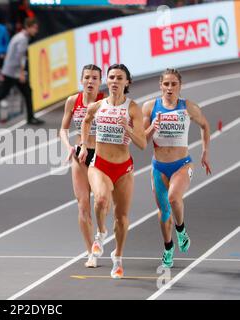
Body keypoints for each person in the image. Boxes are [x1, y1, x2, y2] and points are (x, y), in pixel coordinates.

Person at [79, 64, 147, 279]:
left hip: (124, 168)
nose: (115, 81)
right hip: (99, 165)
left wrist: (127, 127)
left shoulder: (133, 108)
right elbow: (86, 122)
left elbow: (143, 144)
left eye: (119, 78)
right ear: (107, 81)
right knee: (100, 200)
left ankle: (117, 257)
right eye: (111, 77)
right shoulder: (97, 106)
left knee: (122, 217)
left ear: (127, 82)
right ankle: (100, 233)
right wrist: (82, 144)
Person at [142, 68, 211, 268]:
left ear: (180, 86)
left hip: (182, 164)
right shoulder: (150, 107)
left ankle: (181, 230)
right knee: (164, 212)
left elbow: (205, 126)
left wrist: (205, 152)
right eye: (166, 84)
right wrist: (152, 127)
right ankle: (168, 247)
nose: (170, 88)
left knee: (173, 198)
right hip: (159, 167)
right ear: (160, 85)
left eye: (174, 84)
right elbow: (143, 142)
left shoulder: (188, 107)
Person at [59, 64, 105, 268]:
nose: (90, 81)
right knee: (82, 204)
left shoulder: (106, 102)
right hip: (80, 155)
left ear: (100, 81)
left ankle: (101, 231)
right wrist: (68, 146)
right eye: (87, 77)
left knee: (102, 202)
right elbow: (62, 129)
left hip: (102, 156)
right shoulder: (72, 101)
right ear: (81, 80)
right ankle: (90, 253)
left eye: (95, 78)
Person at [0, 17, 44, 125]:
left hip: (11, 71)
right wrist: (21, 73)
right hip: (13, 72)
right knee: (6, 94)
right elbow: (19, 57)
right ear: (28, 27)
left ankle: (30, 117)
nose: (36, 30)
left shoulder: (20, 36)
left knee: (19, 93)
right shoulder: (23, 39)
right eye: (34, 28)